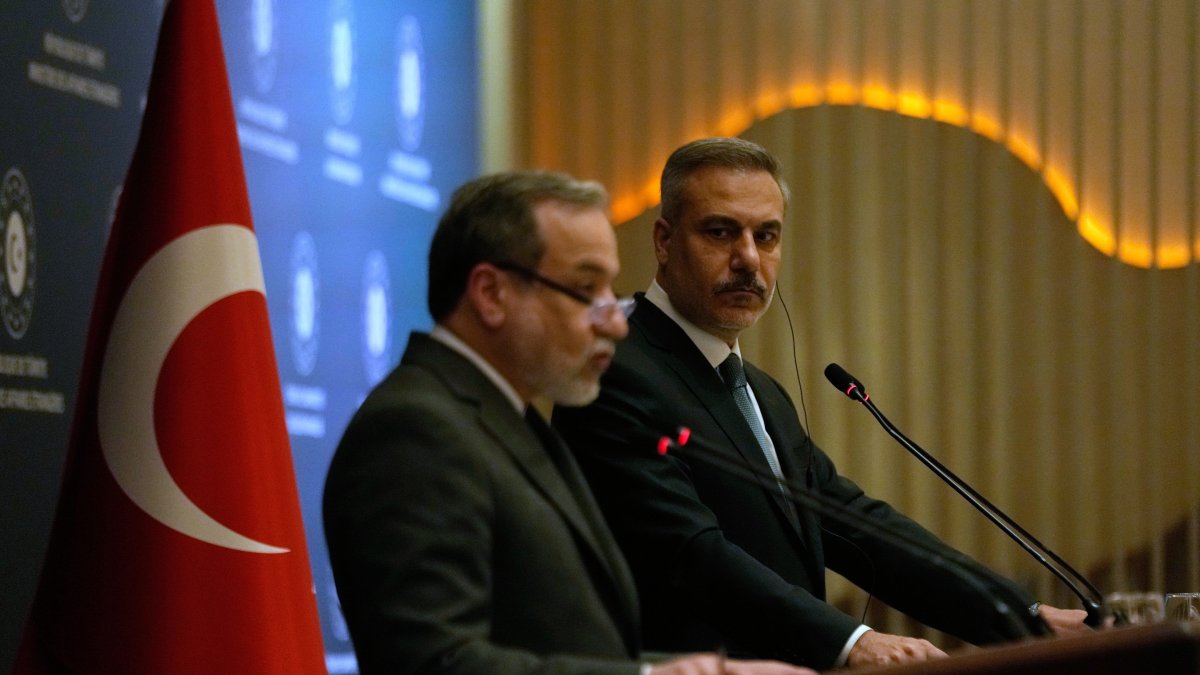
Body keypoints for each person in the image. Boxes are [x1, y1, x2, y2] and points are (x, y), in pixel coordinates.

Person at [551, 138, 1090, 671]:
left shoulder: (761, 392)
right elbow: (689, 552)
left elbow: (856, 527)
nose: (747, 259)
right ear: (665, 242)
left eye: (766, 236)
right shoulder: (615, 373)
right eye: (720, 232)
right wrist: (851, 639)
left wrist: (1022, 615)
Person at [323, 170, 814, 675]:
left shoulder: (509, 422)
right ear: (491, 294)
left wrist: (711, 672)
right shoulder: (415, 432)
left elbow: (569, 647)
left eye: (610, 290)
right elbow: (435, 661)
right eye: (585, 289)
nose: (616, 321)